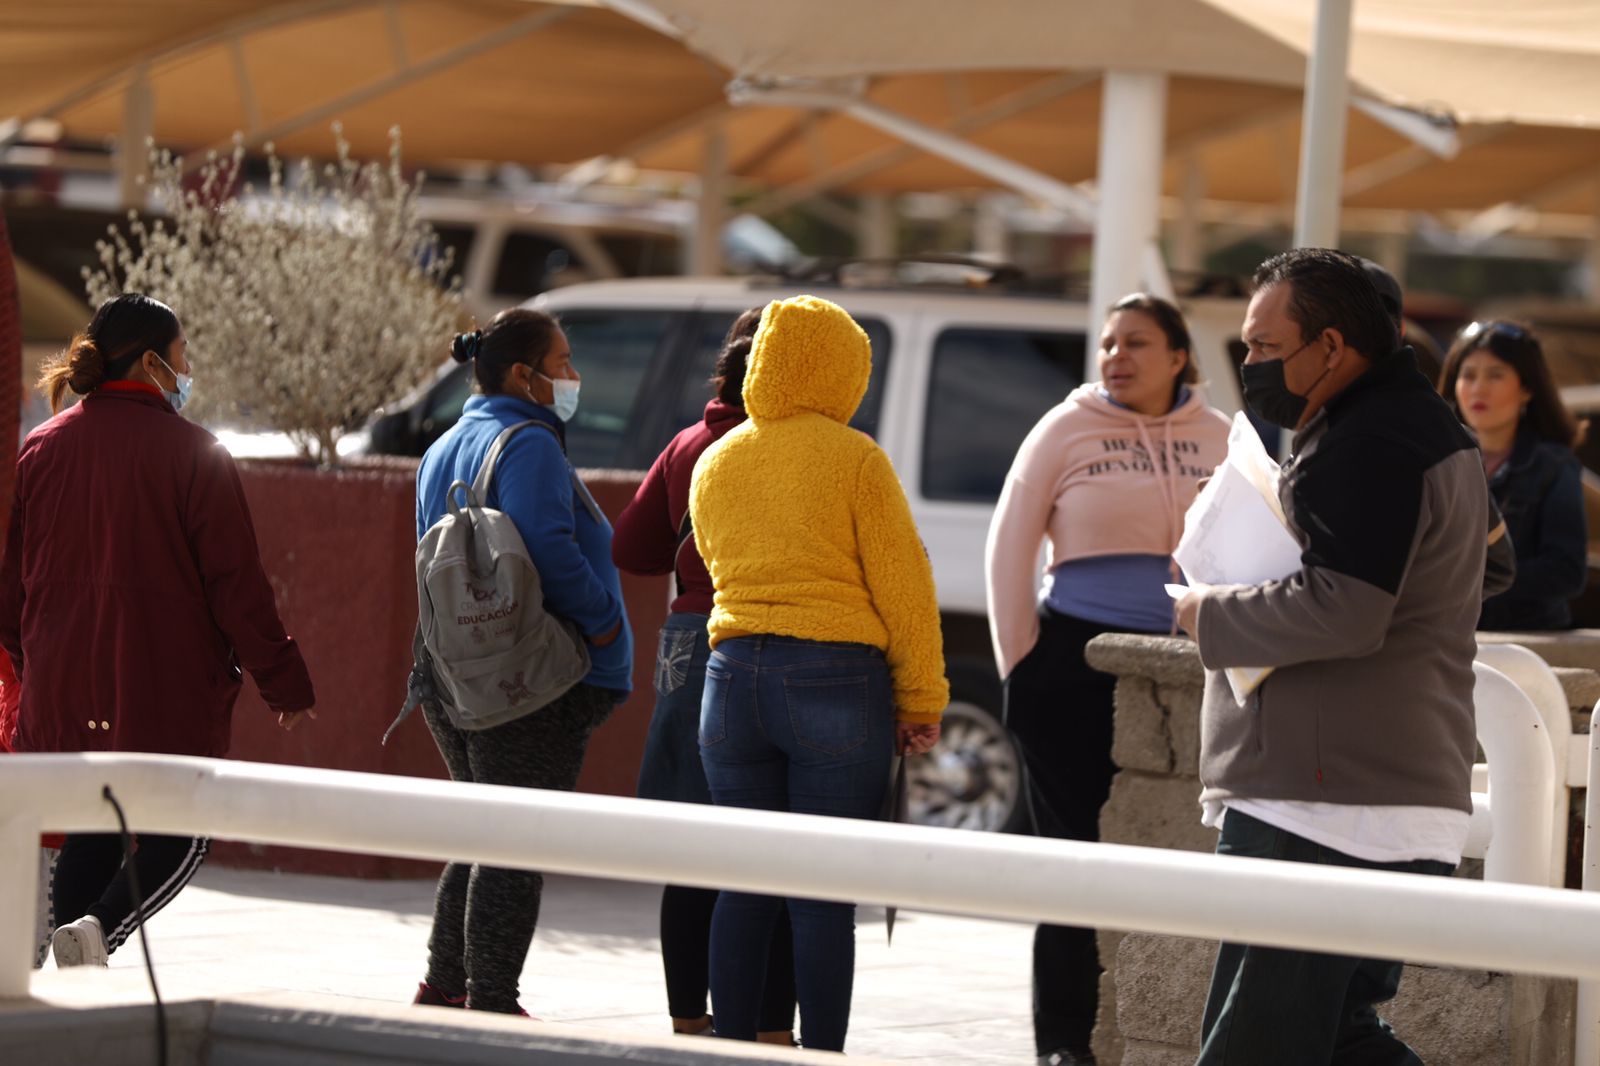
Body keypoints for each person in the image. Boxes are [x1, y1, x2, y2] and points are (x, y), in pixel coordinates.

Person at [1175, 248, 1516, 1065]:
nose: (1249, 363)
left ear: (1331, 347)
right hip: (1383, 791)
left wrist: (1206, 611)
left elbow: (1349, 607)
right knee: (1343, 1041)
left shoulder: (1366, 439)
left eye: (1264, 346)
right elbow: (1492, 563)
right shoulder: (1430, 429)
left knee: (1256, 1047)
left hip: (1324, 800)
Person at [0, 292, 316, 968]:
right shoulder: (195, 453)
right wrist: (283, 681)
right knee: (186, 830)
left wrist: (40, 670)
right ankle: (96, 933)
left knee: (91, 828)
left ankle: (74, 977)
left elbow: (9, 591)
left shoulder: (41, 448)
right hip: (159, 692)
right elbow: (239, 587)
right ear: (150, 363)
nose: (188, 368)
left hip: (62, 693)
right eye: (181, 357)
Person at [689, 294, 947, 1053]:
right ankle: (821, 1051)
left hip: (730, 680)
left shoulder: (717, 458)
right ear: (845, 372)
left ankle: (728, 1046)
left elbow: (710, 567)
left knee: (744, 885)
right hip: (835, 680)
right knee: (823, 897)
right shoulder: (855, 457)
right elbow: (904, 586)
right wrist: (922, 695)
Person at [985, 292, 1230, 1066]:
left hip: (1190, 669)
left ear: (1180, 356)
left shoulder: (1222, 438)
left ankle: (1184, 1032)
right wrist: (1020, 660)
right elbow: (1009, 544)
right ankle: (1064, 1043)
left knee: (1188, 857)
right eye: (1108, 344)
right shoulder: (1065, 427)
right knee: (1075, 856)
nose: (1117, 357)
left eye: (1137, 343)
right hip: (1073, 663)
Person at [410, 308, 633, 1015]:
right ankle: (493, 1002)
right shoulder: (529, 443)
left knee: (482, 833)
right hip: (528, 681)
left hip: (457, 674)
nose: (572, 377)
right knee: (514, 843)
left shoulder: (447, 443)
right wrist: (601, 627)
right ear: (522, 375)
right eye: (562, 362)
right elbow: (549, 547)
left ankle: (444, 985)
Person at [612, 310, 797, 1043]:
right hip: (780, 638)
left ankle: (689, 1021)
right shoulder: (804, 447)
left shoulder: (691, 442)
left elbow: (633, 547)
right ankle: (775, 1033)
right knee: (778, 848)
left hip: (692, 639)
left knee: (691, 843)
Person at [1439, 319, 1587, 630]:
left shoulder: (1554, 466)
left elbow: (1566, 571)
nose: (1478, 388)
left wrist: (1473, 581)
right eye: (1468, 375)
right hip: (1452, 638)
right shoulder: (1439, 461)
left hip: (1525, 639)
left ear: (1527, 388)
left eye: (1495, 375)